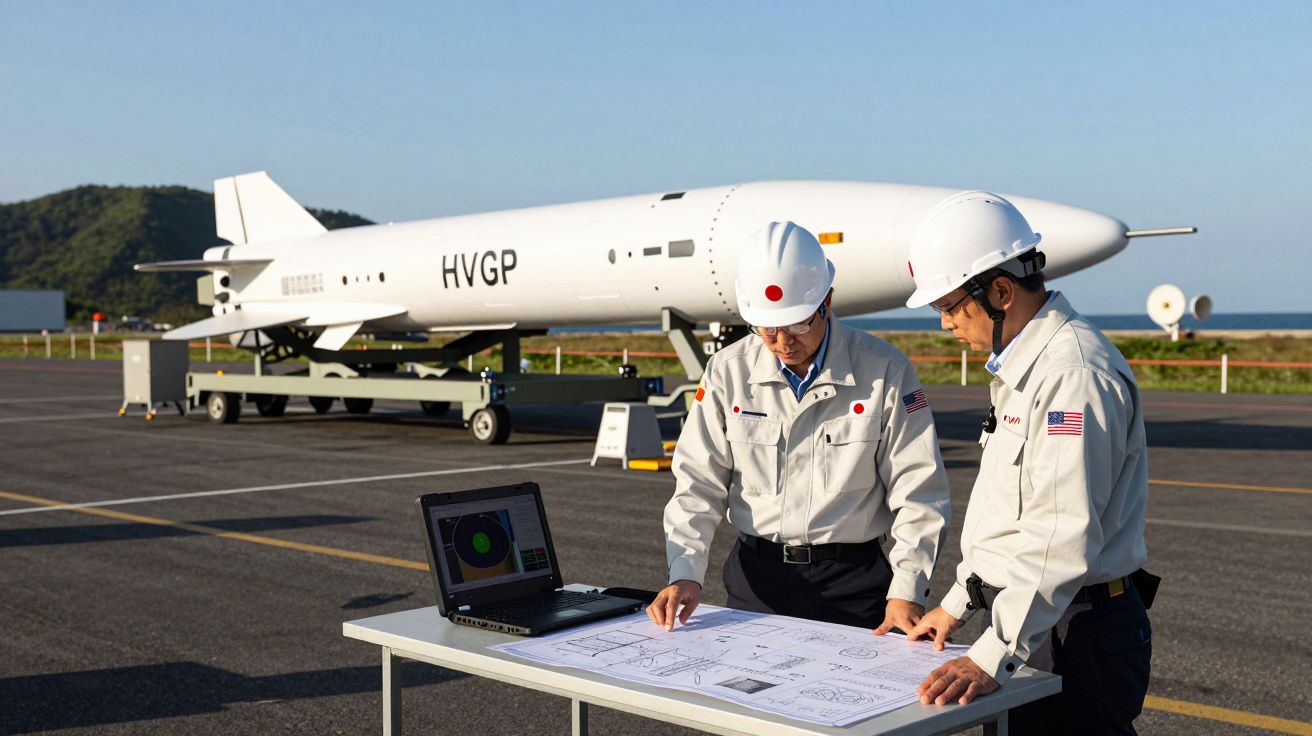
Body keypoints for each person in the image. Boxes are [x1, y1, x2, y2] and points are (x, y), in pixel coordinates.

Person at [903, 191, 1155, 735]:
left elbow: (1058, 536)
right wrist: (955, 605)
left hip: (1071, 633)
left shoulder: (1073, 377)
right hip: (1033, 623)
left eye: (949, 306)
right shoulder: (1024, 369)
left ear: (999, 291)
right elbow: (1005, 518)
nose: (944, 324)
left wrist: (989, 656)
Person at [647, 221, 951, 636]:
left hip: (854, 584)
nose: (783, 342)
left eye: (798, 324)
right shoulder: (727, 371)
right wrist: (684, 572)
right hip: (758, 580)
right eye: (767, 329)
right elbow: (698, 482)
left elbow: (919, 490)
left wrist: (908, 589)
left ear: (827, 301)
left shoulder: (885, 371)